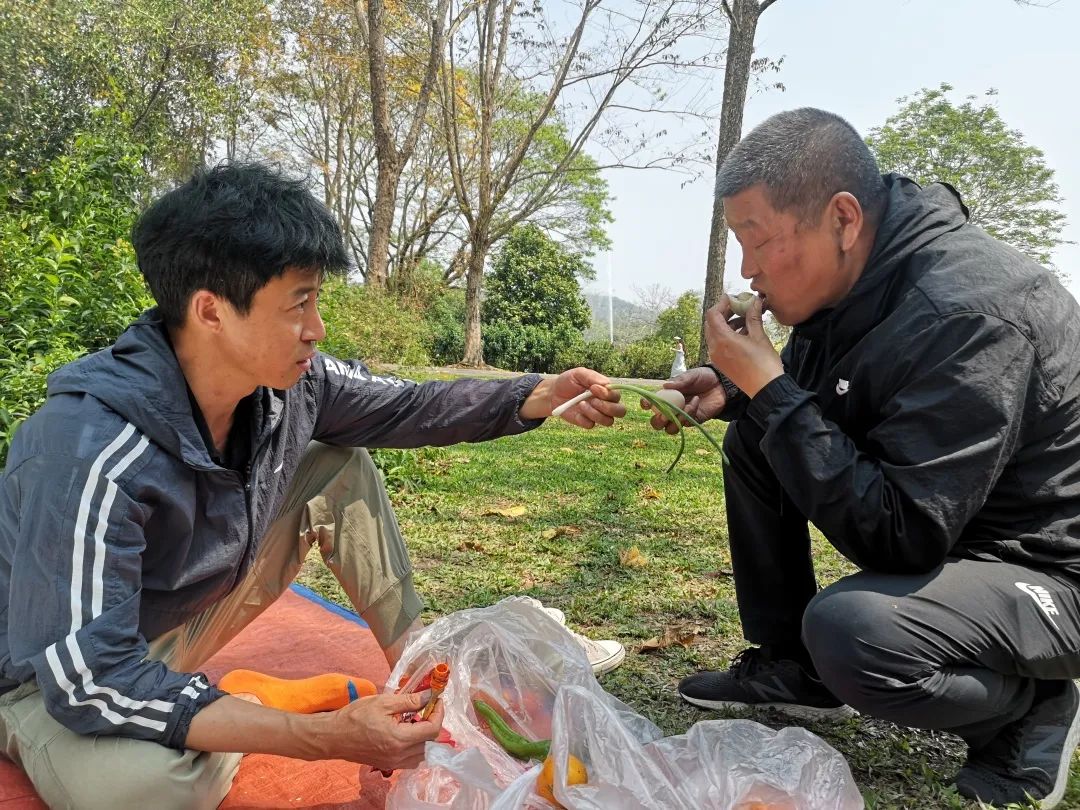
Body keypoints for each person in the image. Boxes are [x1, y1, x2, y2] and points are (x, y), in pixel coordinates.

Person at [0, 163, 627, 810]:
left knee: (334, 464)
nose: (317, 327)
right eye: (299, 303)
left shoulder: (291, 388)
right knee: (149, 791)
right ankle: (231, 709)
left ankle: (419, 676)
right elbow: (87, 677)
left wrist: (536, 395)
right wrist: (319, 734)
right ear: (211, 310)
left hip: (162, 630)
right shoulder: (87, 448)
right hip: (39, 672)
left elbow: (410, 407)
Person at [650, 108, 1080, 809]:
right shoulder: (857, 285)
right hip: (965, 544)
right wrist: (735, 389)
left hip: (1050, 572)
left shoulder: (971, 311)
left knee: (855, 632)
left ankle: (1027, 710)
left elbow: (901, 534)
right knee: (759, 437)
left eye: (756, 240)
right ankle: (793, 670)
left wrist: (769, 387)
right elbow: (814, 401)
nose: (748, 269)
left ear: (843, 219)